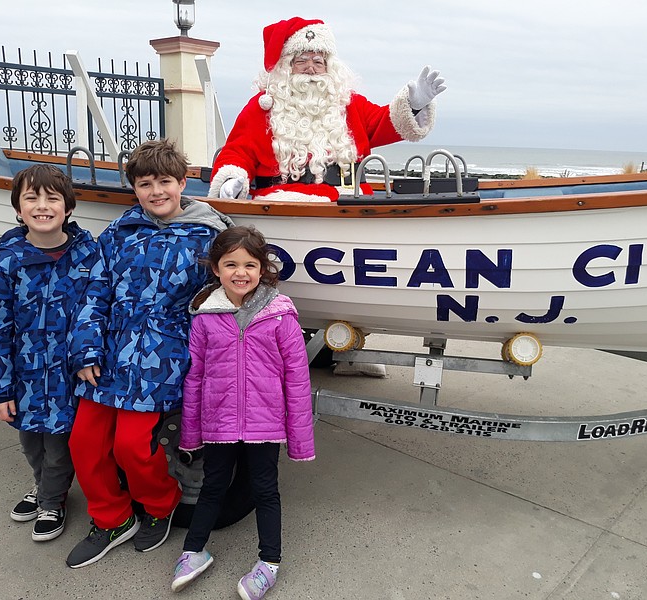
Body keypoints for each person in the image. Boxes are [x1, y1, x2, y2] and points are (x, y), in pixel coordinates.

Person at [65, 139, 234, 568]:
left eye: (164, 181)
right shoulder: (121, 232)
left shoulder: (209, 235)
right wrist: (85, 349)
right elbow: (96, 290)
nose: (156, 191)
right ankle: (112, 518)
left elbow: (226, 297)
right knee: (84, 442)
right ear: (135, 189)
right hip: (109, 353)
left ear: (182, 182)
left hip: (164, 358)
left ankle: (160, 505)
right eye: (145, 184)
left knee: (132, 447)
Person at [170, 226, 315, 598]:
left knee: (265, 490)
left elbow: (297, 379)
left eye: (250, 264)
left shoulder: (280, 316)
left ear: (262, 269)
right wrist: (190, 434)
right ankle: (193, 551)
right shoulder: (204, 318)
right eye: (230, 263)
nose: (240, 272)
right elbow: (195, 377)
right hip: (218, 424)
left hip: (266, 426)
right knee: (212, 487)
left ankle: (269, 562)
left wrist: (300, 441)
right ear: (216, 269)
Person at [0, 164, 98, 542]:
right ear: (18, 209)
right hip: (24, 378)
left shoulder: (88, 256)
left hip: (67, 378)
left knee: (59, 445)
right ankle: (42, 485)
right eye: (32, 197)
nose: (42, 206)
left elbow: (96, 309)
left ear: (68, 208)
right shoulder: (4, 264)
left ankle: (52, 500)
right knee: (31, 441)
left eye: (52, 198)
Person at [208, 16, 446, 202]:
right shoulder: (263, 107)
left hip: (350, 203)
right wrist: (233, 178)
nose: (310, 69)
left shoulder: (349, 103)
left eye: (318, 61)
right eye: (301, 61)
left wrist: (414, 105)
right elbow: (237, 152)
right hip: (284, 205)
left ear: (328, 67)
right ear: (285, 67)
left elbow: (385, 122)